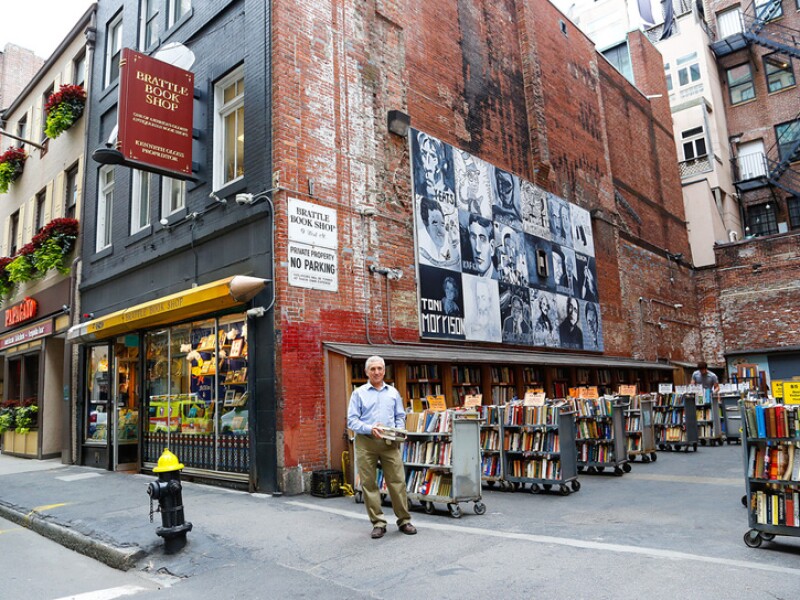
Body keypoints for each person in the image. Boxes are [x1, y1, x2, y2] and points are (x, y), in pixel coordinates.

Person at [347, 356, 417, 539]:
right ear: (366, 372)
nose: (376, 372)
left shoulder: (393, 393)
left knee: (397, 482)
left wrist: (399, 430)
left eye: (379, 368)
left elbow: (400, 415)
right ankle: (378, 523)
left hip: (389, 442)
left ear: (384, 371)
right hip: (366, 442)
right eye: (373, 369)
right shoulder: (358, 393)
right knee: (369, 484)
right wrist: (370, 428)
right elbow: (351, 420)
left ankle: (404, 520)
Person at [418, 197, 458, 268]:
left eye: (442, 224)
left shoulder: (453, 254)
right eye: (435, 223)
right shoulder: (421, 252)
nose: (440, 229)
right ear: (427, 226)